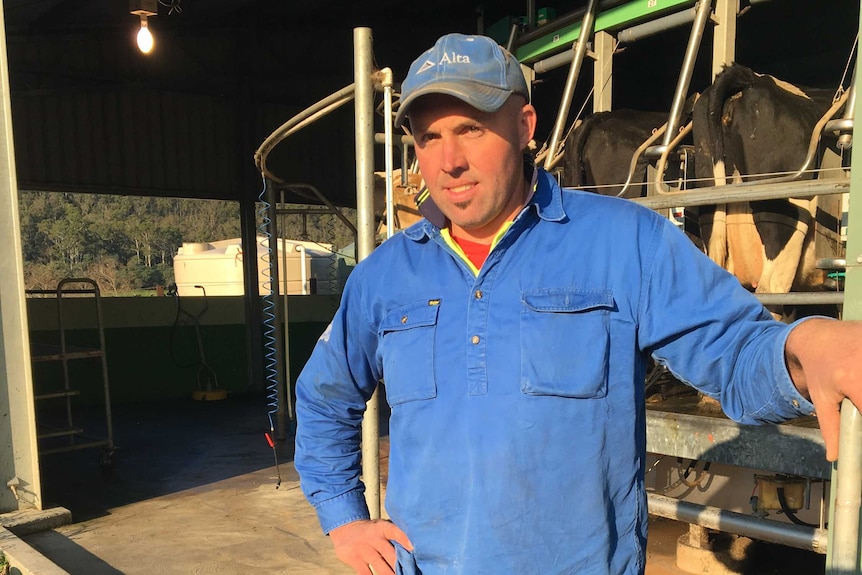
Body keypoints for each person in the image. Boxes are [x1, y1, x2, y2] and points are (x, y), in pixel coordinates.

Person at [294, 32, 862, 575]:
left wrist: (801, 343)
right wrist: (344, 518)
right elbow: (325, 397)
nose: (447, 161)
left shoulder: (624, 243)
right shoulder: (384, 277)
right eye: (427, 137)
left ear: (524, 126)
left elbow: (732, 350)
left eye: (470, 128)